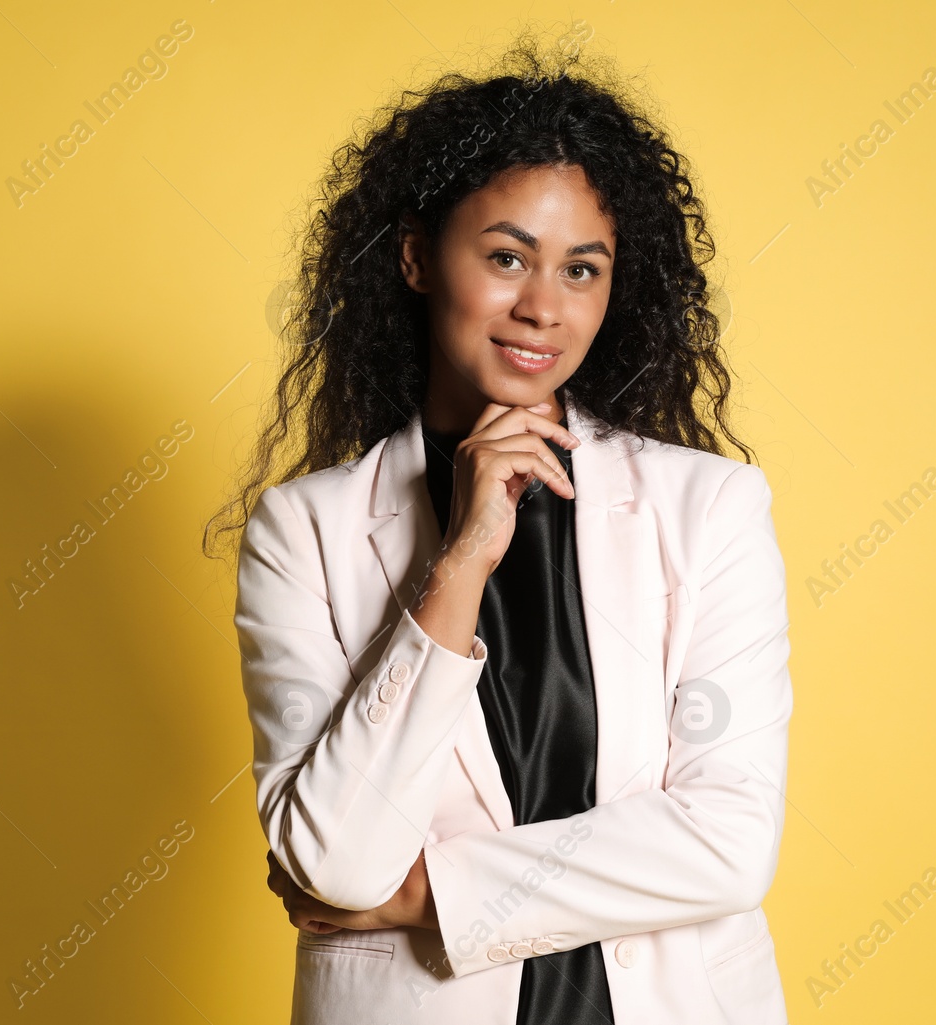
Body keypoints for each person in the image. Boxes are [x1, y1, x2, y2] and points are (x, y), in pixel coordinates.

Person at [209, 28, 793, 1025]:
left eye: (581, 270)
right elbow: (336, 859)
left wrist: (425, 893)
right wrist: (462, 560)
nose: (541, 307)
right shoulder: (301, 532)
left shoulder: (709, 509)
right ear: (415, 256)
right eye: (507, 256)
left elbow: (729, 842)